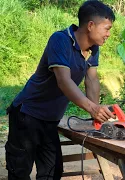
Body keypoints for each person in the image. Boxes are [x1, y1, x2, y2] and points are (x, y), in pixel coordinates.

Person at [5, 1, 116, 179]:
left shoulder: (94, 49)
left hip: (50, 120)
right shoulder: (60, 40)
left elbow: (92, 79)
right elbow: (63, 81)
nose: (109, 34)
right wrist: (93, 108)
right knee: (19, 172)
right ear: (90, 25)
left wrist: (97, 111)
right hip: (27, 115)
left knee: (52, 173)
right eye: (107, 28)